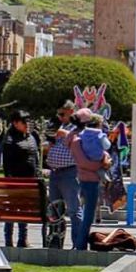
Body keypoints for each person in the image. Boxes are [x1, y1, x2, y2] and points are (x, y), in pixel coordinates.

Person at [69, 110, 112, 250]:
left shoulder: (81, 138)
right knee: (88, 214)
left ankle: (80, 243)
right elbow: (84, 163)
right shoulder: (77, 140)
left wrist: (105, 158)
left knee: (87, 212)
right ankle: (80, 244)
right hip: (89, 180)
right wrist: (103, 162)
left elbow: (103, 152)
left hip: (87, 179)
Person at [0, 110, 42, 249]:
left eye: (29, 121)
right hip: (15, 181)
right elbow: (7, 164)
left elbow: (35, 158)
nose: (27, 124)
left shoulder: (31, 137)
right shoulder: (10, 140)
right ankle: (8, 240)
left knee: (24, 210)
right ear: (15, 123)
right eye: (24, 121)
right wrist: (10, 181)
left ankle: (23, 239)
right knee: (12, 210)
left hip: (29, 180)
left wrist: (37, 175)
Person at [44, 102, 81, 247]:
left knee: (73, 209)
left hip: (70, 172)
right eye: (58, 114)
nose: (59, 117)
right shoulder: (59, 126)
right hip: (55, 172)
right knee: (55, 209)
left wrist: (64, 134)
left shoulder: (77, 127)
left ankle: (78, 243)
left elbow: (80, 142)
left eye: (62, 114)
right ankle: (55, 242)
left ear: (71, 111)